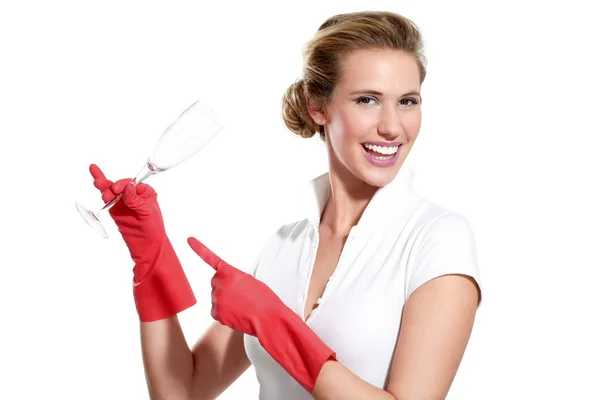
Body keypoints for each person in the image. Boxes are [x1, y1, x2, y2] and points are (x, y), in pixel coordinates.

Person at [89, 10, 482, 400]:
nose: (392, 127)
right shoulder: (284, 246)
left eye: (408, 102)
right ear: (318, 107)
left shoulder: (437, 239)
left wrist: (271, 322)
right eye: (368, 100)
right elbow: (183, 393)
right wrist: (151, 258)